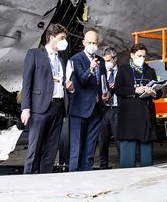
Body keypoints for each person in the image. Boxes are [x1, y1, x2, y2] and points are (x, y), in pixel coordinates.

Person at [21, 23, 74, 174]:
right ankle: (28, 179)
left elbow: (64, 82)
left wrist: (70, 88)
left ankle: (45, 179)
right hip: (40, 107)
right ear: (51, 38)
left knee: (51, 149)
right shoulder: (35, 54)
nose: (65, 41)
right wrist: (26, 108)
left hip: (58, 107)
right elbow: (27, 84)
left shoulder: (62, 59)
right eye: (61, 38)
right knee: (34, 148)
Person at [113, 43, 160, 168]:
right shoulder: (123, 70)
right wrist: (134, 90)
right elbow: (118, 90)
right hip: (128, 116)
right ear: (132, 55)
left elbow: (160, 92)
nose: (142, 59)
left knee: (147, 160)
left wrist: (154, 93)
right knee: (127, 159)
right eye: (139, 56)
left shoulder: (150, 71)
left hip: (145, 116)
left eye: (144, 56)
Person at [67, 29, 107, 171]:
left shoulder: (101, 61)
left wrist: (106, 93)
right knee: (76, 147)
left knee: (90, 149)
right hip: (79, 109)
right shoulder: (76, 59)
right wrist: (90, 69)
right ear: (83, 42)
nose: (92, 45)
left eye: (94, 43)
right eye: (89, 42)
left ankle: (87, 175)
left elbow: (103, 82)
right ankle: (73, 177)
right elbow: (82, 81)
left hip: (96, 108)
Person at [98, 46, 120, 169]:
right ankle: (103, 168)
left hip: (117, 109)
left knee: (119, 141)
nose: (106, 63)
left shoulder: (122, 72)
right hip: (104, 109)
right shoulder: (101, 72)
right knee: (102, 142)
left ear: (115, 59)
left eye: (108, 60)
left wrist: (116, 86)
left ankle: (123, 167)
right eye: (104, 61)